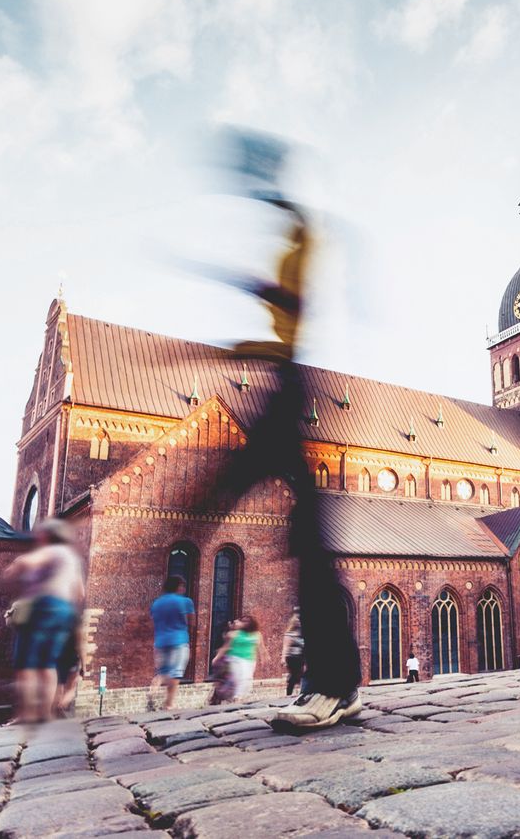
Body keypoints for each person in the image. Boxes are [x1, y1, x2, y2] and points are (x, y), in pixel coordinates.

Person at [193, 132, 363, 730]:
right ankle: (335, 681)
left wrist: (243, 290)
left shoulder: (300, 235)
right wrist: (228, 351)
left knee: (309, 544)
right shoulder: (295, 236)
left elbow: (288, 300)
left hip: (290, 388)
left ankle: (335, 684)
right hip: (280, 383)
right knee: (303, 539)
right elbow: (281, 315)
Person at [4, 518, 86, 724]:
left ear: (47, 536)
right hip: (65, 611)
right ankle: (44, 714)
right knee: (47, 664)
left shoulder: (52, 550)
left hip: (44, 607)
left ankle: (28, 714)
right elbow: (80, 593)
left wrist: (15, 567)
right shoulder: (72, 559)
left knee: (26, 663)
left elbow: (26, 563)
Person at [150, 575, 195, 710]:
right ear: (179, 586)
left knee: (163, 671)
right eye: (182, 586)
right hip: (179, 640)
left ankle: (156, 683)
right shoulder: (185, 601)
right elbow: (192, 622)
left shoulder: (157, 603)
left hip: (160, 642)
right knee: (175, 673)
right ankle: (169, 704)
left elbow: (154, 620)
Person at [282, 610, 305, 695]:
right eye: (297, 621)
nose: (299, 623)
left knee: (299, 674)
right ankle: (289, 692)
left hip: (300, 657)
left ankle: (300, 691)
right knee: (295, 674)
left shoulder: (302, 634)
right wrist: (283, 658)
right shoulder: (289, 634)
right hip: (291, 657)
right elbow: (285, 647)